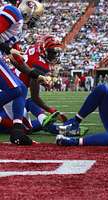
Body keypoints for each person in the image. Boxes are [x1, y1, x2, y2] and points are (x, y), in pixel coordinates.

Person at [0, 0, 48, 145]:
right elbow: (11, 51)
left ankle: (17, 131)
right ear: (29, 10)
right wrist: (8, 49)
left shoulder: (19, 28)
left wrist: (36, 75)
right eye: (35, 17)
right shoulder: (13, 12)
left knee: (21, 89)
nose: (34, 21)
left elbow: (17, 59)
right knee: (16, 88)